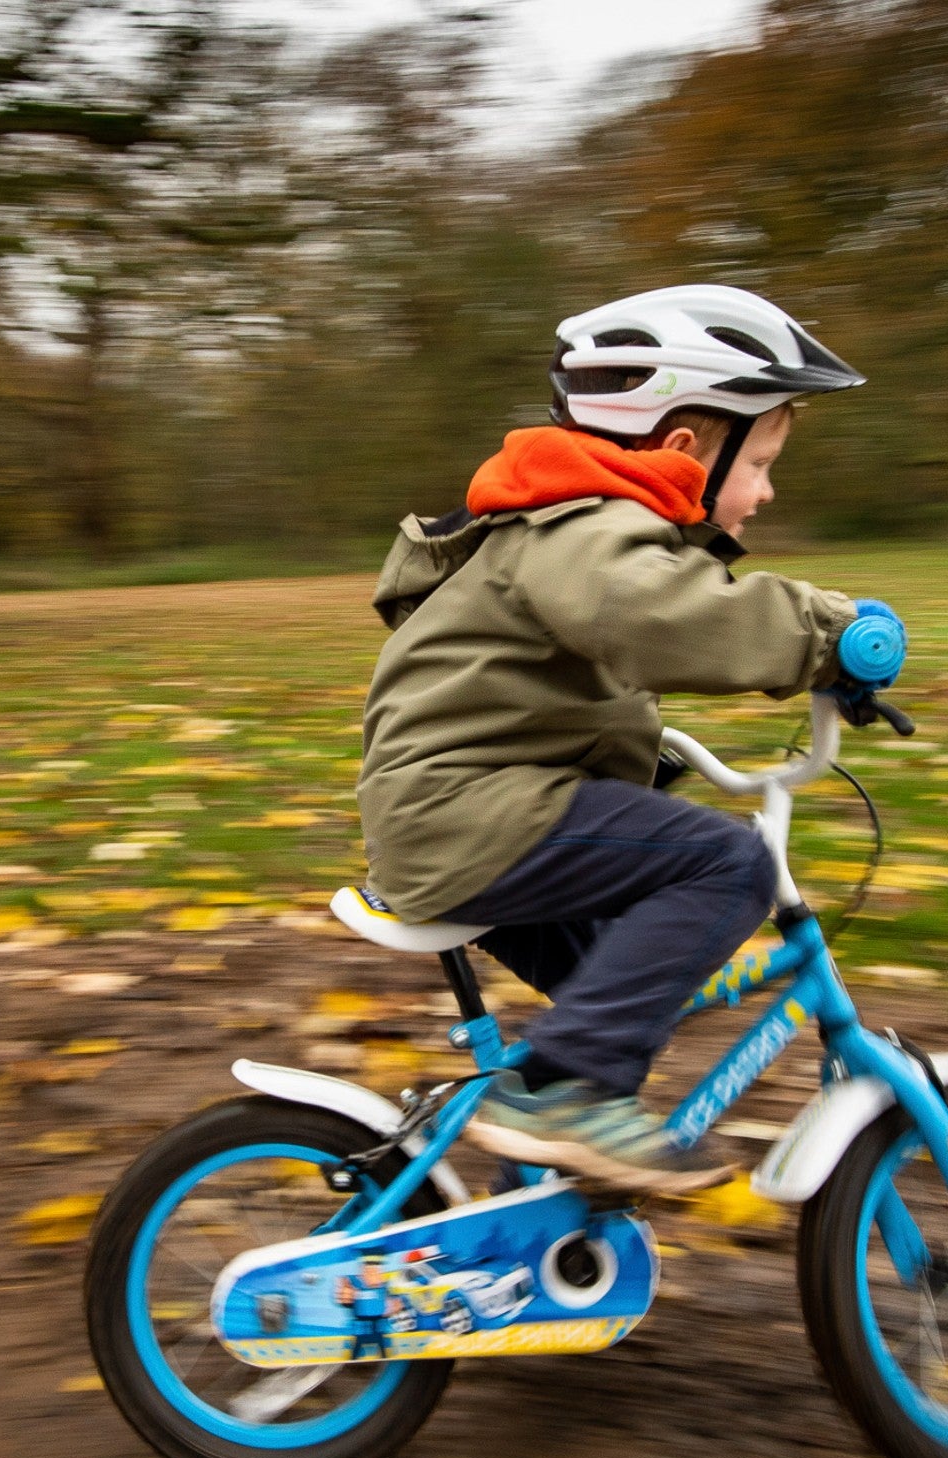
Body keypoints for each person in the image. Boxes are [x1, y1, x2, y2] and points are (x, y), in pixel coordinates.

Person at [356, 284, 871, 1194]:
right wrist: (829, 636)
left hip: (466, 812)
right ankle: (561, 1096)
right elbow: (657, 618)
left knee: (626, 981)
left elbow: (547, 687)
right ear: (684, 447)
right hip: (469, 816)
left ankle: (541, 1188)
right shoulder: (586, 525)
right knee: (730, 867)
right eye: (762, 461)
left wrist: (647, 760)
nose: (767, 490)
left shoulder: (568, 523)